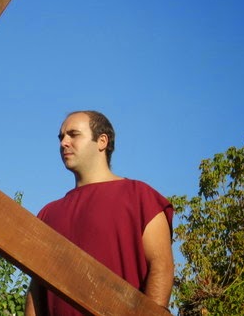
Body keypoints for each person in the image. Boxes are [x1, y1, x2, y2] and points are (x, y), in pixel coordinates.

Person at [25, 110, 174, 315]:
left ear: (102, 141)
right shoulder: (47, 213)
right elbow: (36, 289)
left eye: (73, 135)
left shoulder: (140, 196)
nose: (64, 143)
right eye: (61, 137)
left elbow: (161, 266)